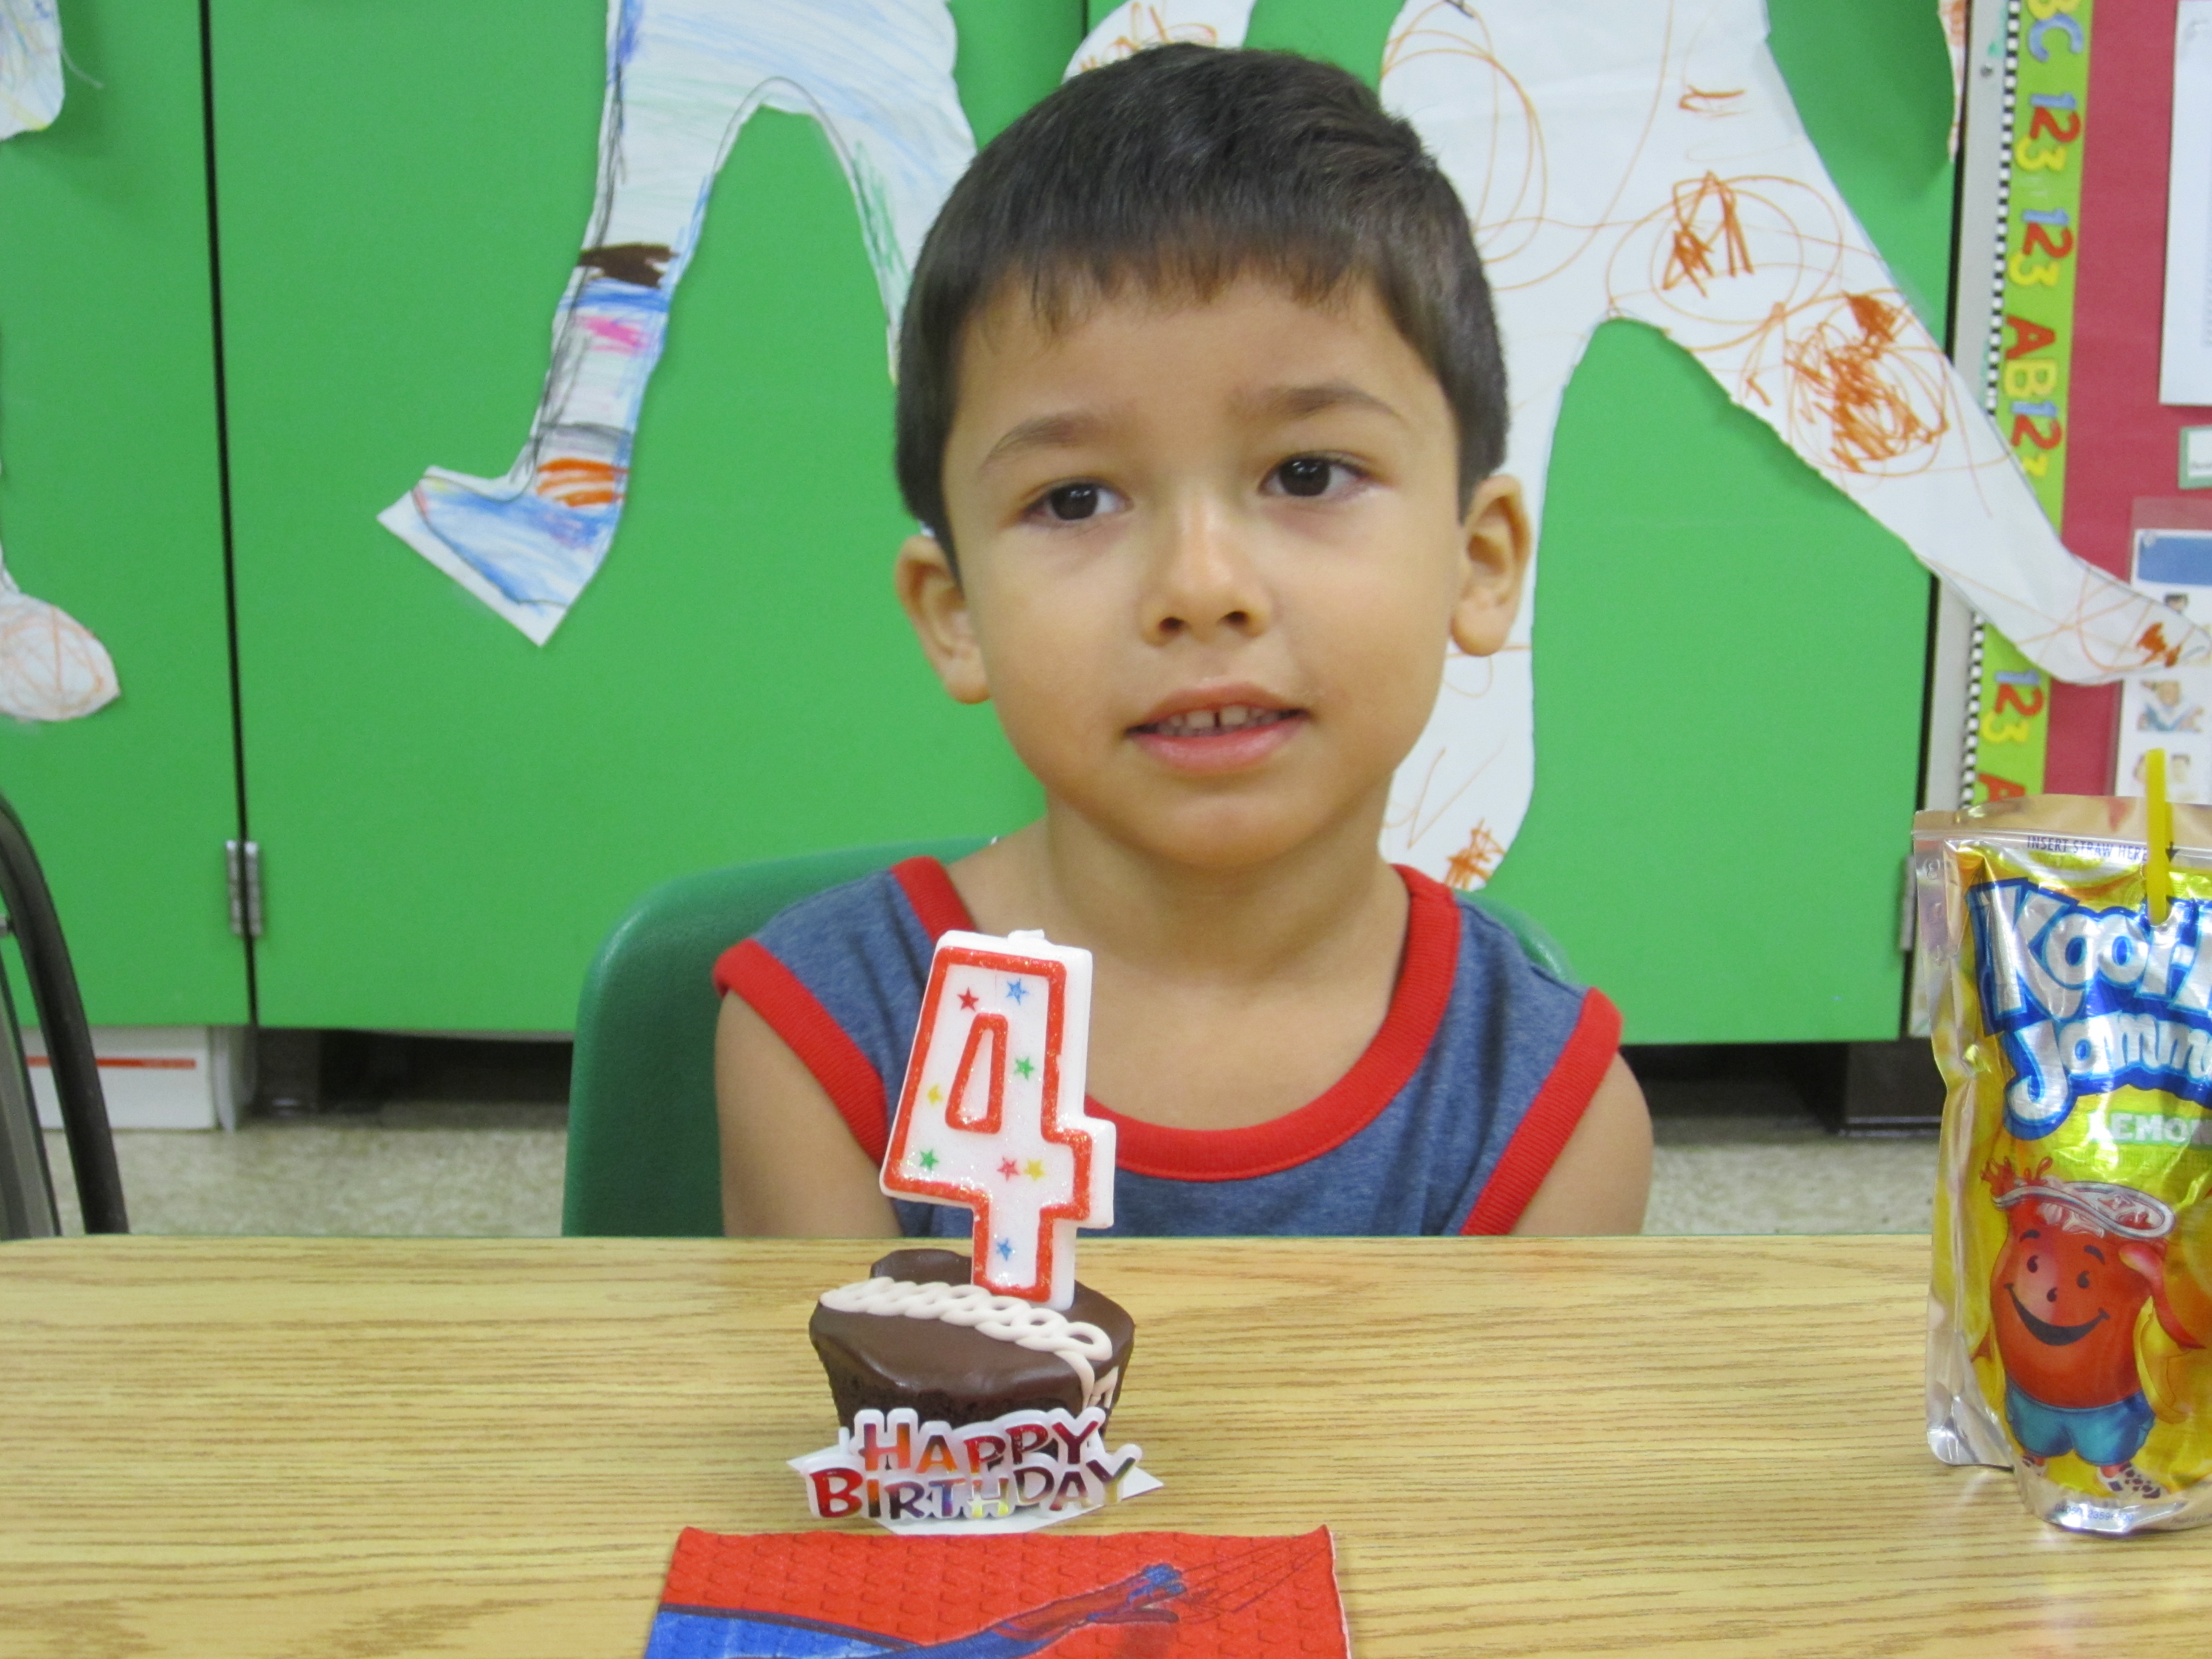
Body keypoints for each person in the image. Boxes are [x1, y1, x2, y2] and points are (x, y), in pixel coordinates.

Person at [712, 44, 1652, 1240]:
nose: (1201, 589)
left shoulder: (1556, 1120)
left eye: (1308, 474)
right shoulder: (822, 1039)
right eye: (1075, 500)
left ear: (1480, 564)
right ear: (955, 616)